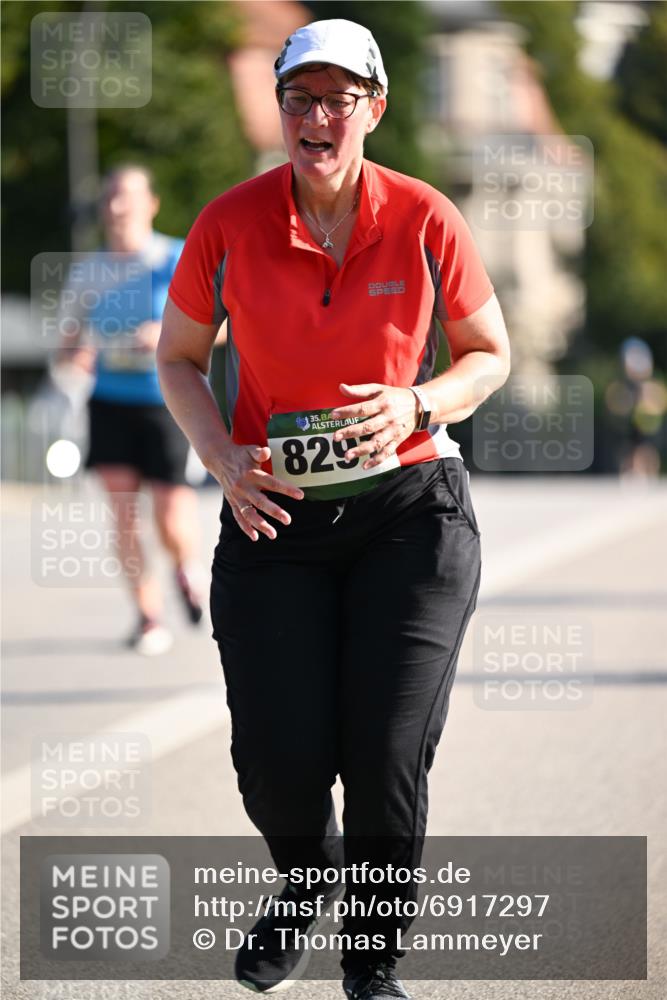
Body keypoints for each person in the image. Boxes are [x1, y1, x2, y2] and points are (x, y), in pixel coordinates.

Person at [158, 19, 510, 1000]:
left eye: (337, 98)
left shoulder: (425, 215)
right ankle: (303, 876)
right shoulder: (229, 223)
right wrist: (223, 456)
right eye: (299, 98)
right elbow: (180, 359)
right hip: (276, 525)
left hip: (411, 516)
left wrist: (418, 401)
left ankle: (371, 963)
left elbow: (491, 352)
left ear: (374, 109)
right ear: (279, 108)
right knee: (277, 759)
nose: (316, 117)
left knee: (385, 747)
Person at [58, 165, 209, 655]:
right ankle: (147, 616)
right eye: (111, 198)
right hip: (109, 403)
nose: (118, 207)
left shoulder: (176, 258)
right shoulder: (88, 272)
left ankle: (185, 570)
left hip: (169, 401)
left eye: (128, 197)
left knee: (169, 516)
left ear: (152, 204)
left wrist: (167, 338)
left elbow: (224, 328)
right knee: (123, 515)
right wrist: (75, 354)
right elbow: (67, 342)